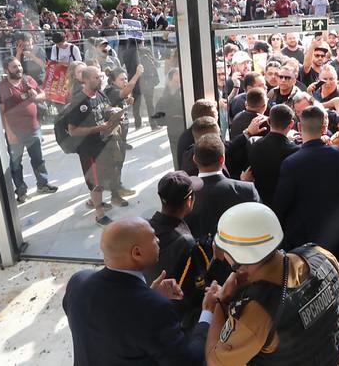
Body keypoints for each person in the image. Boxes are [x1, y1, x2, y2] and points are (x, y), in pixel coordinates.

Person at [205, 202, 339, 366]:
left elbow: (216, 362)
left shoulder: (256, 311)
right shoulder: (320, 256)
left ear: (235, 255)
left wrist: (221, 301)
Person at [63, 217, 212, 365]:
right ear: (137, 253)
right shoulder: (155, 310)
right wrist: (207, 314)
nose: (158, 240)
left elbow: (110, 324)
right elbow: (188, 362)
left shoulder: (78, 282)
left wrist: (149, 294)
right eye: (154, 238)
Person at [273, 105, 339, 258]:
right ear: (324, 127)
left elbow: (282, 202)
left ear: (300, 127)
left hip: (302, 233)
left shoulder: (291, 162)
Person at [146, 171, 211, 330]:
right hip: (179, 319)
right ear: (189, 201)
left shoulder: (145, 228)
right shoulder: (187, 244)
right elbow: (197, 291)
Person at [67, 66, 125, 225]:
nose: (100, 80)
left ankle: (94, 202)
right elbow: (72, 131)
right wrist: (97, 128)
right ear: (84, 80)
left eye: (100, 77)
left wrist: (115, 113)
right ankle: (100, 215)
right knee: (96, 182)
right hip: (89, 149)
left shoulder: (99, 93)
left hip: (104, 144)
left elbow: (105, 108)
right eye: (96, 78)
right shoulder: (78, 101)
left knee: (104, 177)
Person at [0, 57, 58, 203]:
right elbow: (1, 112)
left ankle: (42, 184)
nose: (18, 69)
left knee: (38, 159)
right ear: (7, 70)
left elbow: (43, 95)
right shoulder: (1, 87)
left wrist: (36, 95)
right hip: (15, 133)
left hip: (34, 128)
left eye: (19, 65)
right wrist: (9, 133)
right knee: (16, 163)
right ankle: (21, 191)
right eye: (14, 67)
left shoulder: (28, 80)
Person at [185, 134, 260, 246]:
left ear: (195, 159)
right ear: (222, 159)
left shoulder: (184, 195)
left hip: (201, 259)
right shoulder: (247, 190)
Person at [244, 105, 300, 207]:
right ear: (291, 124)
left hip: (259, 202)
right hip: (286, 205)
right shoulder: (296, 151)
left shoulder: (253, 144)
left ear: (269, 121)